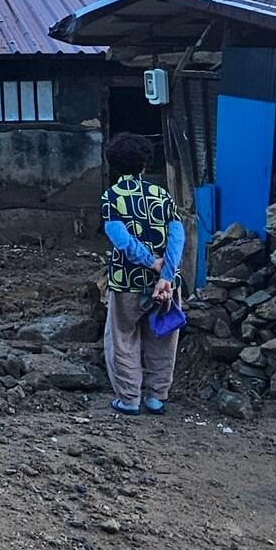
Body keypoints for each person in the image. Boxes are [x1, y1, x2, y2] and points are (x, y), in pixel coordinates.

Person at [99, 132, 185, 416]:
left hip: (126, 281)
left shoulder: (111, 197)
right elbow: (177, 235)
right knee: (163, 337)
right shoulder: (162, 195)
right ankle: (156, 398)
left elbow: (120, 239)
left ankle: (129, 399)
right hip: (165, 284)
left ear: (113, 164)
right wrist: (166, 273)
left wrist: (149, 261)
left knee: (122, 338)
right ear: (145, 165)